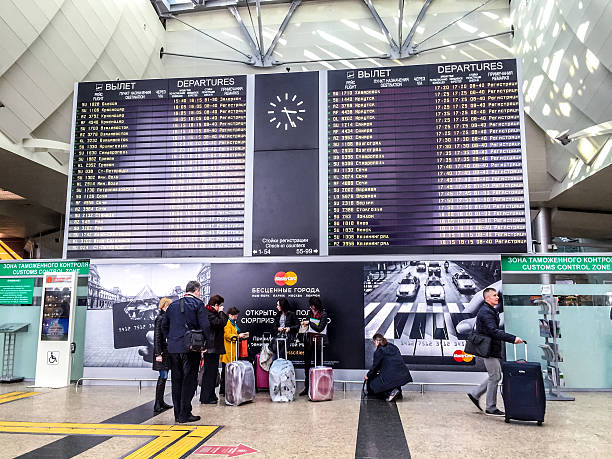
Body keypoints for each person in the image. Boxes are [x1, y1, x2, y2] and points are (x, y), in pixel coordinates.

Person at [467, 287, 524, 417]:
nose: (497, 297)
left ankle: (475, 394)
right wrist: (512, 338)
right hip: (488, 349)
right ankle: (490, 407)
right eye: (494, 295)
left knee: (495, 375)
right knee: (495, 376)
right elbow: (493, 331)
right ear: (487, 298)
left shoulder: (490, 310)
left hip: (491, 348)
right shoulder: (486, 312)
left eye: (497, 295)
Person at [162, 280, 209, 423]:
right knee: (189, 380)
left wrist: (171, 339)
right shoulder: (198, 304)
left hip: (174, 349)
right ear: (196, 291)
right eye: (199, 291)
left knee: (176, 381)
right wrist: (206, 344)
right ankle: (185, 414)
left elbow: (164, 326)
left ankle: (177, 414)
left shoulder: (173, 305)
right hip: (191, 348)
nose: (200, 294)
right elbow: (205, 326)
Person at [364, 333, 413, 402]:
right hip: (402, 373)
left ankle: (390, 393)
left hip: (391, 375)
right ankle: (398, 393)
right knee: (392, 378)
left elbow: (375, 367)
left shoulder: (379, 351)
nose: (374, 344)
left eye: (374, 342)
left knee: (374, 385)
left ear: (376, 341)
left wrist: (368, 375)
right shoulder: (393, 346)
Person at [200, 294, 228, 404]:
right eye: (220, 305)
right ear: (216, 305)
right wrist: (221, 312)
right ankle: (206, 397)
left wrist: (220, 313)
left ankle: (211, 395)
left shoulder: (211, 313)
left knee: (212, 373)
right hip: (211, 347)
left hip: (213, 348)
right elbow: (220, 323)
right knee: (209, 374)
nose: (221, 307)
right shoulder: (209, 313)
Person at [299, 296, 328, 396]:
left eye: (313, 306)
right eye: (310, 306)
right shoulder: (310, 313)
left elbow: (320, 328)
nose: (311, 308)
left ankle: (318, 387)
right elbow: (309, 326)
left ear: (317, 305)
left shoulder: (323, 314)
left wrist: (310, 323)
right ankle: (307, 388)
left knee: (318, 365)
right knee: (307, 365)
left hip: (319, 342)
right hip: (308, 341)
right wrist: (305, 324)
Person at [219, 307, 248, 394]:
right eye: (235, 315)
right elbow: (227, 335)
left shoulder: (232, 323)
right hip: (227, 350)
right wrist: (239, 336)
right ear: (231, 315)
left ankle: (226, 389)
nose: (237, 316)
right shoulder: (228, 323)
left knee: (227, 370)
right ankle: (223, 390)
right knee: (226, 371)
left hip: (231, 350)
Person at [153, 297, 173, 413]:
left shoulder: (164, 317)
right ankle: (157, 404)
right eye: (169, 306)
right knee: (163, 376)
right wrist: (158, 353)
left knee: (164, 377)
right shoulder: (160, 318)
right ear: (165, 306)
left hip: (165, 352)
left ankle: (160, 402)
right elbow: (157, 337)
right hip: (161, 353)